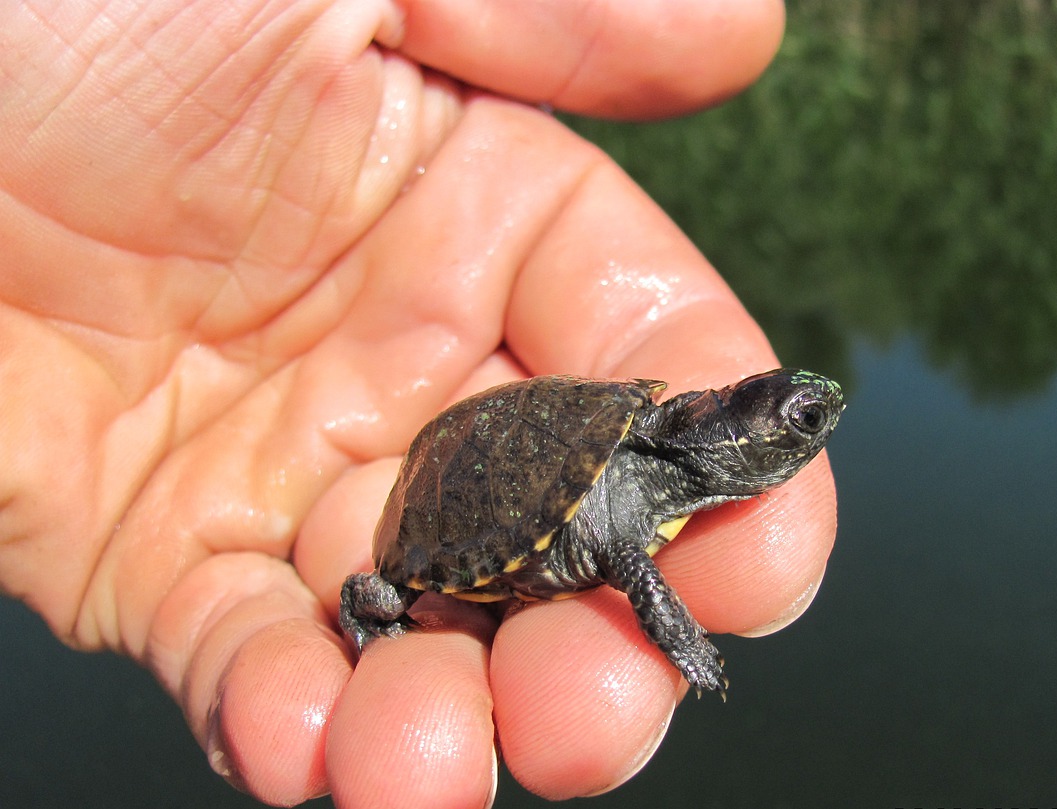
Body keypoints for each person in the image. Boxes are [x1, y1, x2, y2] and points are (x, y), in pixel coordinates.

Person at [0, 1, 837, 806]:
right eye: (800, 415)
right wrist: (687, 646)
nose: (816, 414)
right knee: (383, 595)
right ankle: (371, 604)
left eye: (797, 412)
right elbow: (638, 573)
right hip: (456, 502)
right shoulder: (635, 481)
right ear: (734, 431)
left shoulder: (651, 452)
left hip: (521, 438)